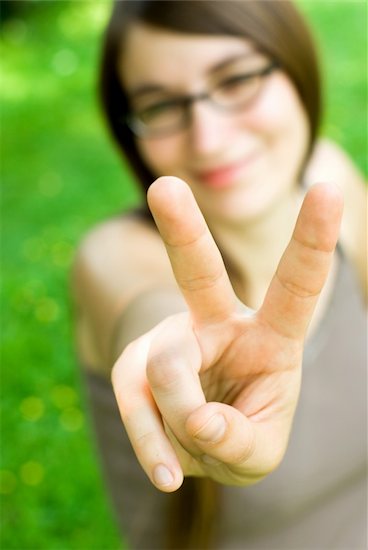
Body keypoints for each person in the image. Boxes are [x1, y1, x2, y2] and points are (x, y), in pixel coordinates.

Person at [71, 1, 367, 548]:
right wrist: (172, 357)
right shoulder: (112, 256)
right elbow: (146, 309)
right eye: (160, 105)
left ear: (296, 67)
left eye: (236, 79)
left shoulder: (333, 181)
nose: (208, 138)